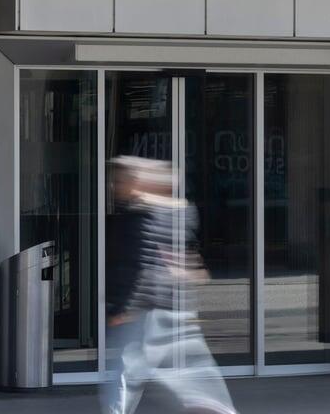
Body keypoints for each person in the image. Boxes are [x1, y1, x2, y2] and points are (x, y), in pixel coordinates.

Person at [102, 156, 237, 414]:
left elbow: (137, 263)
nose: (114, 186)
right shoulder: (180, 212)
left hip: (145, 308)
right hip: (173, 304)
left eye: (119, 180)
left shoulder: (139, 216)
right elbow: (182, 254)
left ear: (137, 182)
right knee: (189, 371)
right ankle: (221, 409)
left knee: (126, 371)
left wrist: (121, 307)